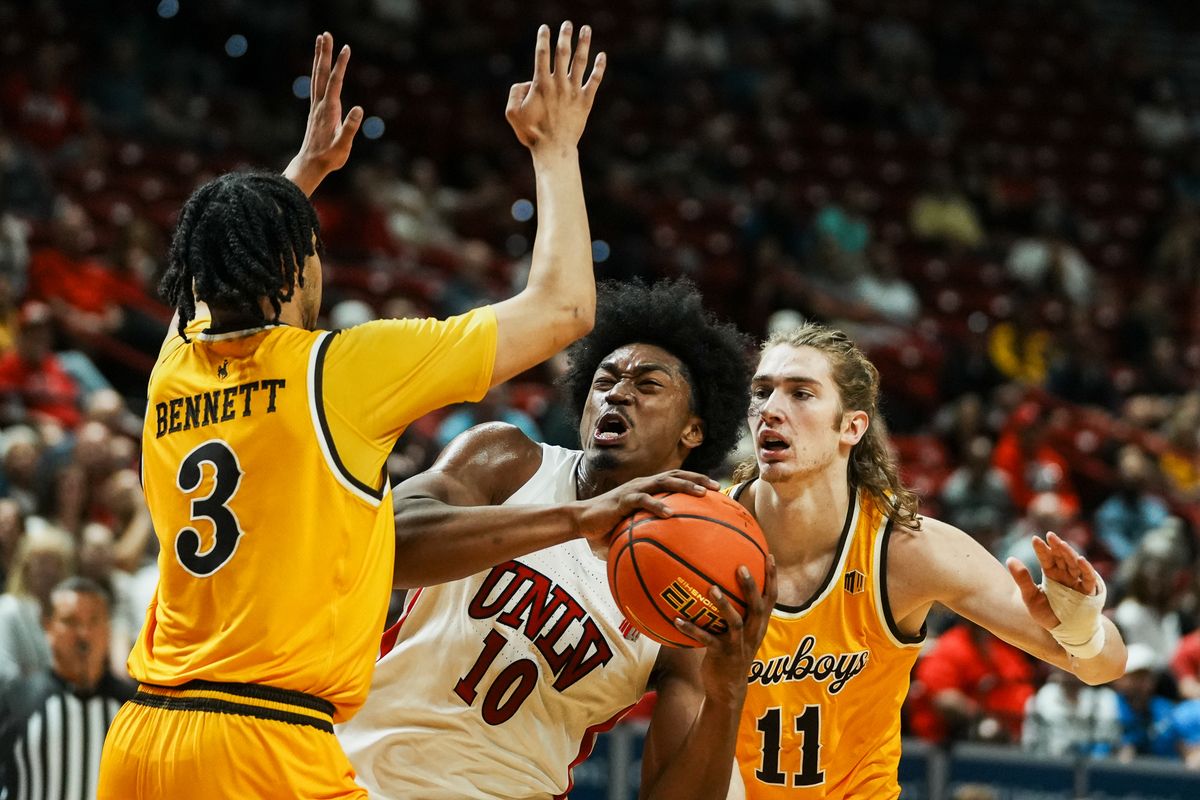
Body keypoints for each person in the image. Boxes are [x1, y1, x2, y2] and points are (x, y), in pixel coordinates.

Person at [98, 25, 607, 799]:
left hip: (141, 740)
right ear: (298, 266)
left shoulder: (175, 369)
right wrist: (556, 147)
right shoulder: (337, 370)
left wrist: (300, 174)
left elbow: (206, 280)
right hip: (266, 745)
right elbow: (566, 308)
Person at [337, 279, 776, 799]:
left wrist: (727, 694)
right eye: (604, 379)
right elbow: (385, 547)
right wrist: (578, 517)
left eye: (649, 385)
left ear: (693, 431)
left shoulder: (688, 583)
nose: (618, 391)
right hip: (357, 777)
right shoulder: (509, 460)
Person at [725, 322, 1127, 798]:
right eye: (762, 392)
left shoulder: (907, 550)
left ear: (852, 426)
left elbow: (1105, 665)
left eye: (801, 394)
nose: (771, 410)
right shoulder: (700, 537)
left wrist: (1078, 628)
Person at [0, 577, 133, 798]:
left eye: (94, 621)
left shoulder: (132, 709)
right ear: (48, 627)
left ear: (108, 629)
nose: (84, 634)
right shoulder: (18, 702)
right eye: (70, 622)